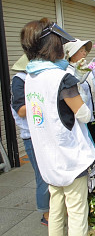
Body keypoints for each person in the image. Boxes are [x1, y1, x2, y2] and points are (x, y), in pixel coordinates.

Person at [20, 17, 95, 236]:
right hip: (70, 158)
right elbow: (84, 115)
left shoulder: (31, 77)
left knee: (56, 209)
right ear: (54, 45)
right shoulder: (62, 78)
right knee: (77, 211)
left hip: (48, 159)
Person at [10, 54, 50, 226]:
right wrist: (42, 99)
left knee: (50, 173)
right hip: (32, 136)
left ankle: (53, 210)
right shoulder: (20, 80)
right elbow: (21, 110)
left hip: (44, 133)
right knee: (42, 175)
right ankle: (46, 214)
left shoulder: (36, 78)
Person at [64, 39, 95, 159]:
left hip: (94, 116)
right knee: (87, 147)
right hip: (83, 118)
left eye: (85, 51)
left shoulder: (85, 67)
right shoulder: (68, 72)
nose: (84, 53)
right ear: (72, 54)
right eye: (81, 51)